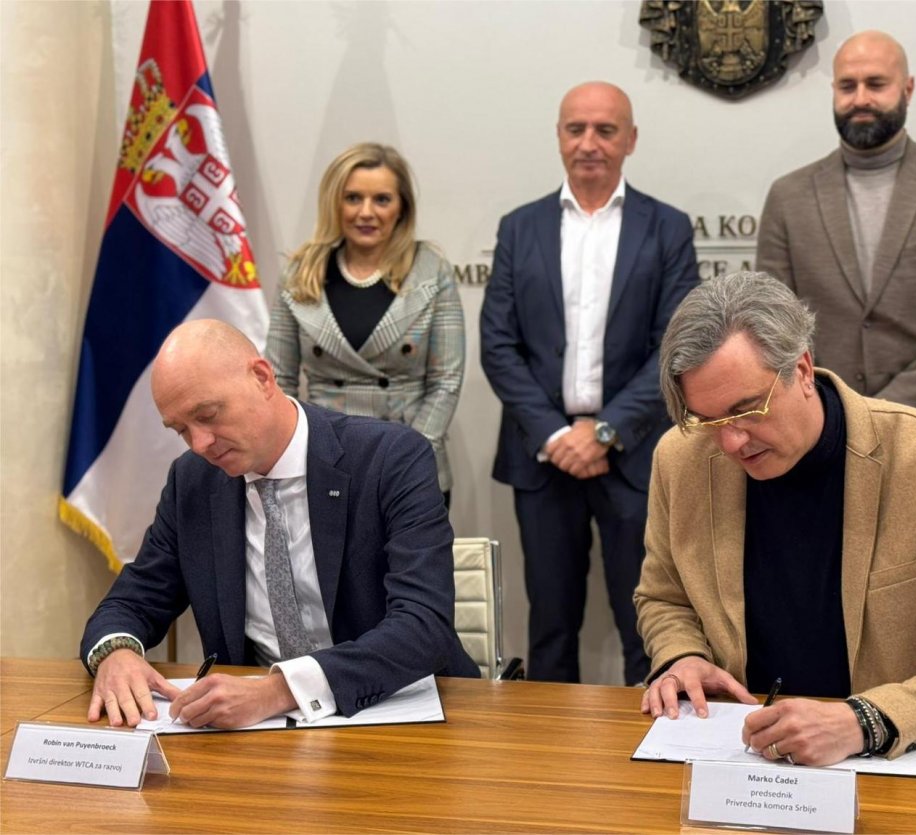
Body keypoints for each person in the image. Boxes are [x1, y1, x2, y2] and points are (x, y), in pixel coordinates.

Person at [635, 271, 916, 766]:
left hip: (888, 760)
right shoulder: (681, 458)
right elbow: (664, 597)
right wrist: (681, 654)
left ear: (801, 369)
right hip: (742, 755)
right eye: (709, 420)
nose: (731, 442)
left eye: (747, 410)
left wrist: (862, 721)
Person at [81, 319, 478, 730]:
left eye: (208, 415)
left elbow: (423, 625)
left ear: (262, 378)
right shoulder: (193, 481)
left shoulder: (390, 458)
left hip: (397, 716)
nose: (200, 444)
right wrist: (116, 653)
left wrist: (280, 690)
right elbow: (133, 601)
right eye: (181, 430)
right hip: (254, 734)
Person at [480, 81, 699, 684]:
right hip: (543, 460)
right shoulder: (519, 227)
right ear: (559, 136)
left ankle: (653, 737)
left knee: (648, 628)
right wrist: (556, 436)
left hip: (634, 456)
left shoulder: (667, 228)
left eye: (605, 130)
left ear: (631, 139)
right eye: (576, 129)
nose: (589, 143)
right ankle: (551, 745)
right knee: (550, 629)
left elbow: (674, 346)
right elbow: (498, 344)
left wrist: (604, 432)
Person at [756, 30, 916, 461]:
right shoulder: (788, 196)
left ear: (908, 89)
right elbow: (774, 324)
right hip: (822, 436)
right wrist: (836, 410)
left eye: (876, 84)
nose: (861, 98)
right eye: (847, 86)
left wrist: (882, 411)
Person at [267, 143, 464, 504]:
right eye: (353, 198)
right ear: (335, 203)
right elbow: (279, 381)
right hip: (324, 462)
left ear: (402, 206)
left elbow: (445, 383)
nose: (366, 212)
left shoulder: (431, 270)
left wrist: (409, 455)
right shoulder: (300, 273)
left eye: (382, 199)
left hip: (412, 464)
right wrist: (305, 453)